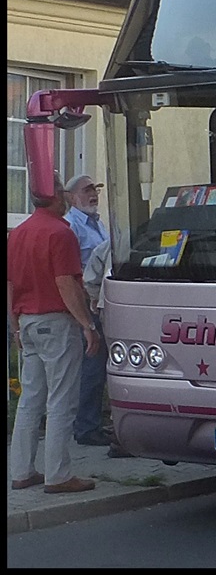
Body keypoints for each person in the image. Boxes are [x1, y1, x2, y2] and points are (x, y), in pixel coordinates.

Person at [7, 174, 100, 494]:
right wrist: (87, 324)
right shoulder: (60, 233)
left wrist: (14, 325)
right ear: (53, 195)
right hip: (57, 322)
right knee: (61, 401)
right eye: (61, 191)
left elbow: (9, 285)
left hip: (28, 322)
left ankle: (21, 470)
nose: (65, 196)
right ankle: (58, 475)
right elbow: (66, 284)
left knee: (30, 400)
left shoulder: (18, 233)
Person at [63, 174, 131, 458]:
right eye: (87, 190)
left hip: (104, 304)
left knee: (102, 366)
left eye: (95, 189)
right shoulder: (71, 226)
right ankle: (85, 426)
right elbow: (72, 269)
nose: (94, 194)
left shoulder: (98, 224)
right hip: (86, 305)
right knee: (91, 367)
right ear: (70, 196)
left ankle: (94, 422)